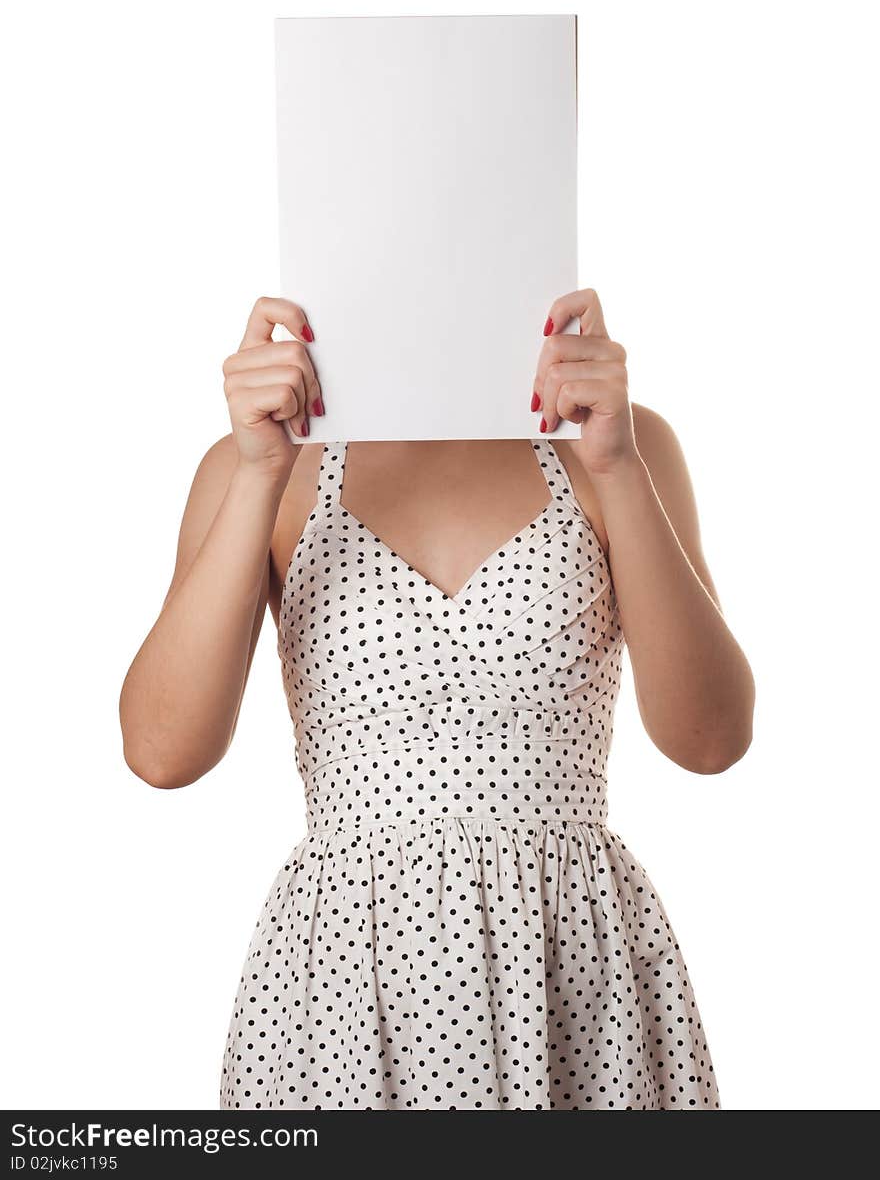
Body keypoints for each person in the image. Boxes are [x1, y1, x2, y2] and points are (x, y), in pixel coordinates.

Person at [119, 287, 754, 1110]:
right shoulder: (261, 464)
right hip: (344, 985)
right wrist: (256, 473)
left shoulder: (614, 446)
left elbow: (711, 739)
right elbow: (161, 753)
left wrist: (617, 465)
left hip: (573, 974)